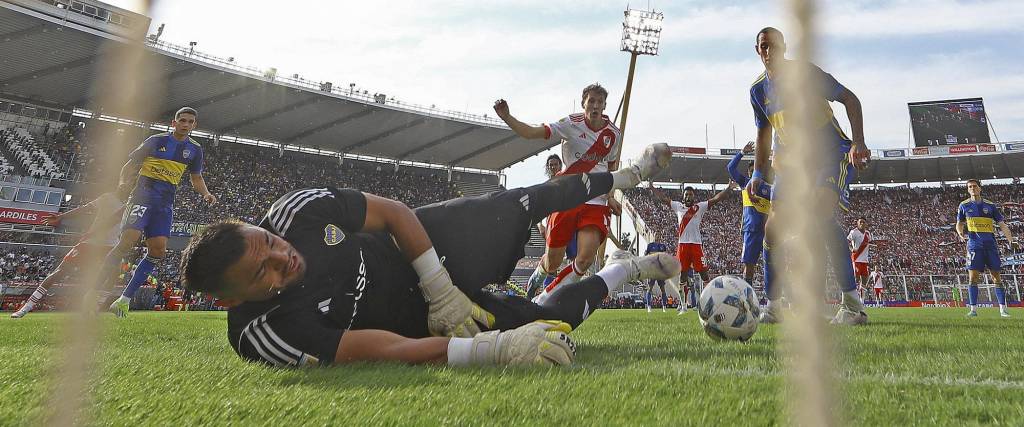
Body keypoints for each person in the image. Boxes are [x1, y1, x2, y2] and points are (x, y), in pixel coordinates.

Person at [179, 145, 674, 368]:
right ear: (230, 301)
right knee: (546, 325)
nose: (280, 256)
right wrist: (486, 350)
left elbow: (394, 212)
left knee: (522, 200)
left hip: (422, 245)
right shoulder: (264, 334)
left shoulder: (292, 214)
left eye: (267, 243)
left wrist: (440, 287)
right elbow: (376, 350)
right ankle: (628, 269)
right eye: (261, 271)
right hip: (415, 323)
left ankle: (623, 176)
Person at [745, 27, 870, 325]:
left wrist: (858, 142)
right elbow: (763, 134)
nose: (768, 50)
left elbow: (850, 99)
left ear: (784, 46)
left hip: (830, 155)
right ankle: (774, 306)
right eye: (763, 46)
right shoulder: (758, 90)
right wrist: (759, 173)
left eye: (773, 45)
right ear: (757, 50)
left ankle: (853, 306)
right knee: (772, 228)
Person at [494, 84, 662, 305]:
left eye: (599, 102)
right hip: (567, 197)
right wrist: (507, 117)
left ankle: (546, 299)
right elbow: (531, 133)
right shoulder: (570, 124)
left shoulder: (613, 134)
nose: (594, 105)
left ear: (604, 106)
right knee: (553, 262)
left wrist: (611, 197)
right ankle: (539, 276)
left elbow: (611, 171)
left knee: (584, 260)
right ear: (584, 103)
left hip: (596, 201)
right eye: (591, 101)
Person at [104, 107, 218, 317]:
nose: (186, 124)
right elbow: (129, 165)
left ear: (194, 125)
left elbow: (196, 178)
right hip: (142, 197)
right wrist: (121, 183)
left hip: (164, 205)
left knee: (158, 251)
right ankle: (94, 292)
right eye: (182, 120)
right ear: (174, 123)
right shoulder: (156, 141)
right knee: (129, 239)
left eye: (190, 121)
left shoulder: (195, 150)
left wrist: (206, 194)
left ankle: (123, 301)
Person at [10, 184, 132, 318]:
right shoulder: (107, 198)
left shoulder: (131, 206)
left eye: (129, 186)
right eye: (123, 185)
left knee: (113, 275)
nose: (125, 188)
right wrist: (62, 216)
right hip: (90, 241)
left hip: (111, 245)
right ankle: (26, 307)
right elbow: (84, 209)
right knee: (60, 272)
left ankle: (96, 309)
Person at [655, 183, 736, 314]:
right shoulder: (678, 207)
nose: (688, 196)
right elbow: (664, 199)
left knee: (704, 274)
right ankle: (684, 306)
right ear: (683, 196)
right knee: (683, 276)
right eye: (686, 194)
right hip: (683, 246)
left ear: (694, 197)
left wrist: (728, 188)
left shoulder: (700, 207)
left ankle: (709, 302)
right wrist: (652, 187)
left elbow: (716, 199)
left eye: (691, 195)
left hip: (696, 245)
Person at [956, 179, 1020, 318]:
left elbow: (1002, 224)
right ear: (968, 189)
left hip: (990, 245)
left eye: (974, 186)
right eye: (970, 187)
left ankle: (1003, 310)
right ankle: (973, 310)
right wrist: (960, 233)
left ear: (980, 188)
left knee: (996, 277)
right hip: (974, 245)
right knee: (973, 278)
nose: (972, 188)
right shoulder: (964, 205)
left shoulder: (990, 206)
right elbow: (959, 223)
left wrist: (1010, 239)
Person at [528, 154, 578, 299]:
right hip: (553, 226)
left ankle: (566, 293)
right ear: (547, 168)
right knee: (551, 265)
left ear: (560, 166)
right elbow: (539, 209)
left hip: (570, 224)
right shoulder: (546, 187)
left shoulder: (568, 182)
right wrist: (540, 225)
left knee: (575, 259)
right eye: (550, 165)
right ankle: (540, 289)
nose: (553, 167)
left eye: (555, 164)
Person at [726, 141, 772, 288]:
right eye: (750, 171)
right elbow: (730, 168)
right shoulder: (744, 183)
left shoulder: (769, 189)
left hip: (767, 231)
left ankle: (774, 299)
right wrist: (742, 152)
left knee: (771, 265)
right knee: (749, 264)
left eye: (755, 171)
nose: (752, 174)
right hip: (750, 230)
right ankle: (748, 294)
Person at [847, 217, 872, 294]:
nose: (862, 223)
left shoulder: (868, 233)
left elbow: (869, 243)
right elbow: (847, 242)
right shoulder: (853, 232)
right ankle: (852, 294)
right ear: (857, 223)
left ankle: (862, 300)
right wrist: (852, 249)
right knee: (856, 278)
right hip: (856, 258)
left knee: (864, 280)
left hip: (865, 260)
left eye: (863, 222)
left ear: (866, 224)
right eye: (860, 222)